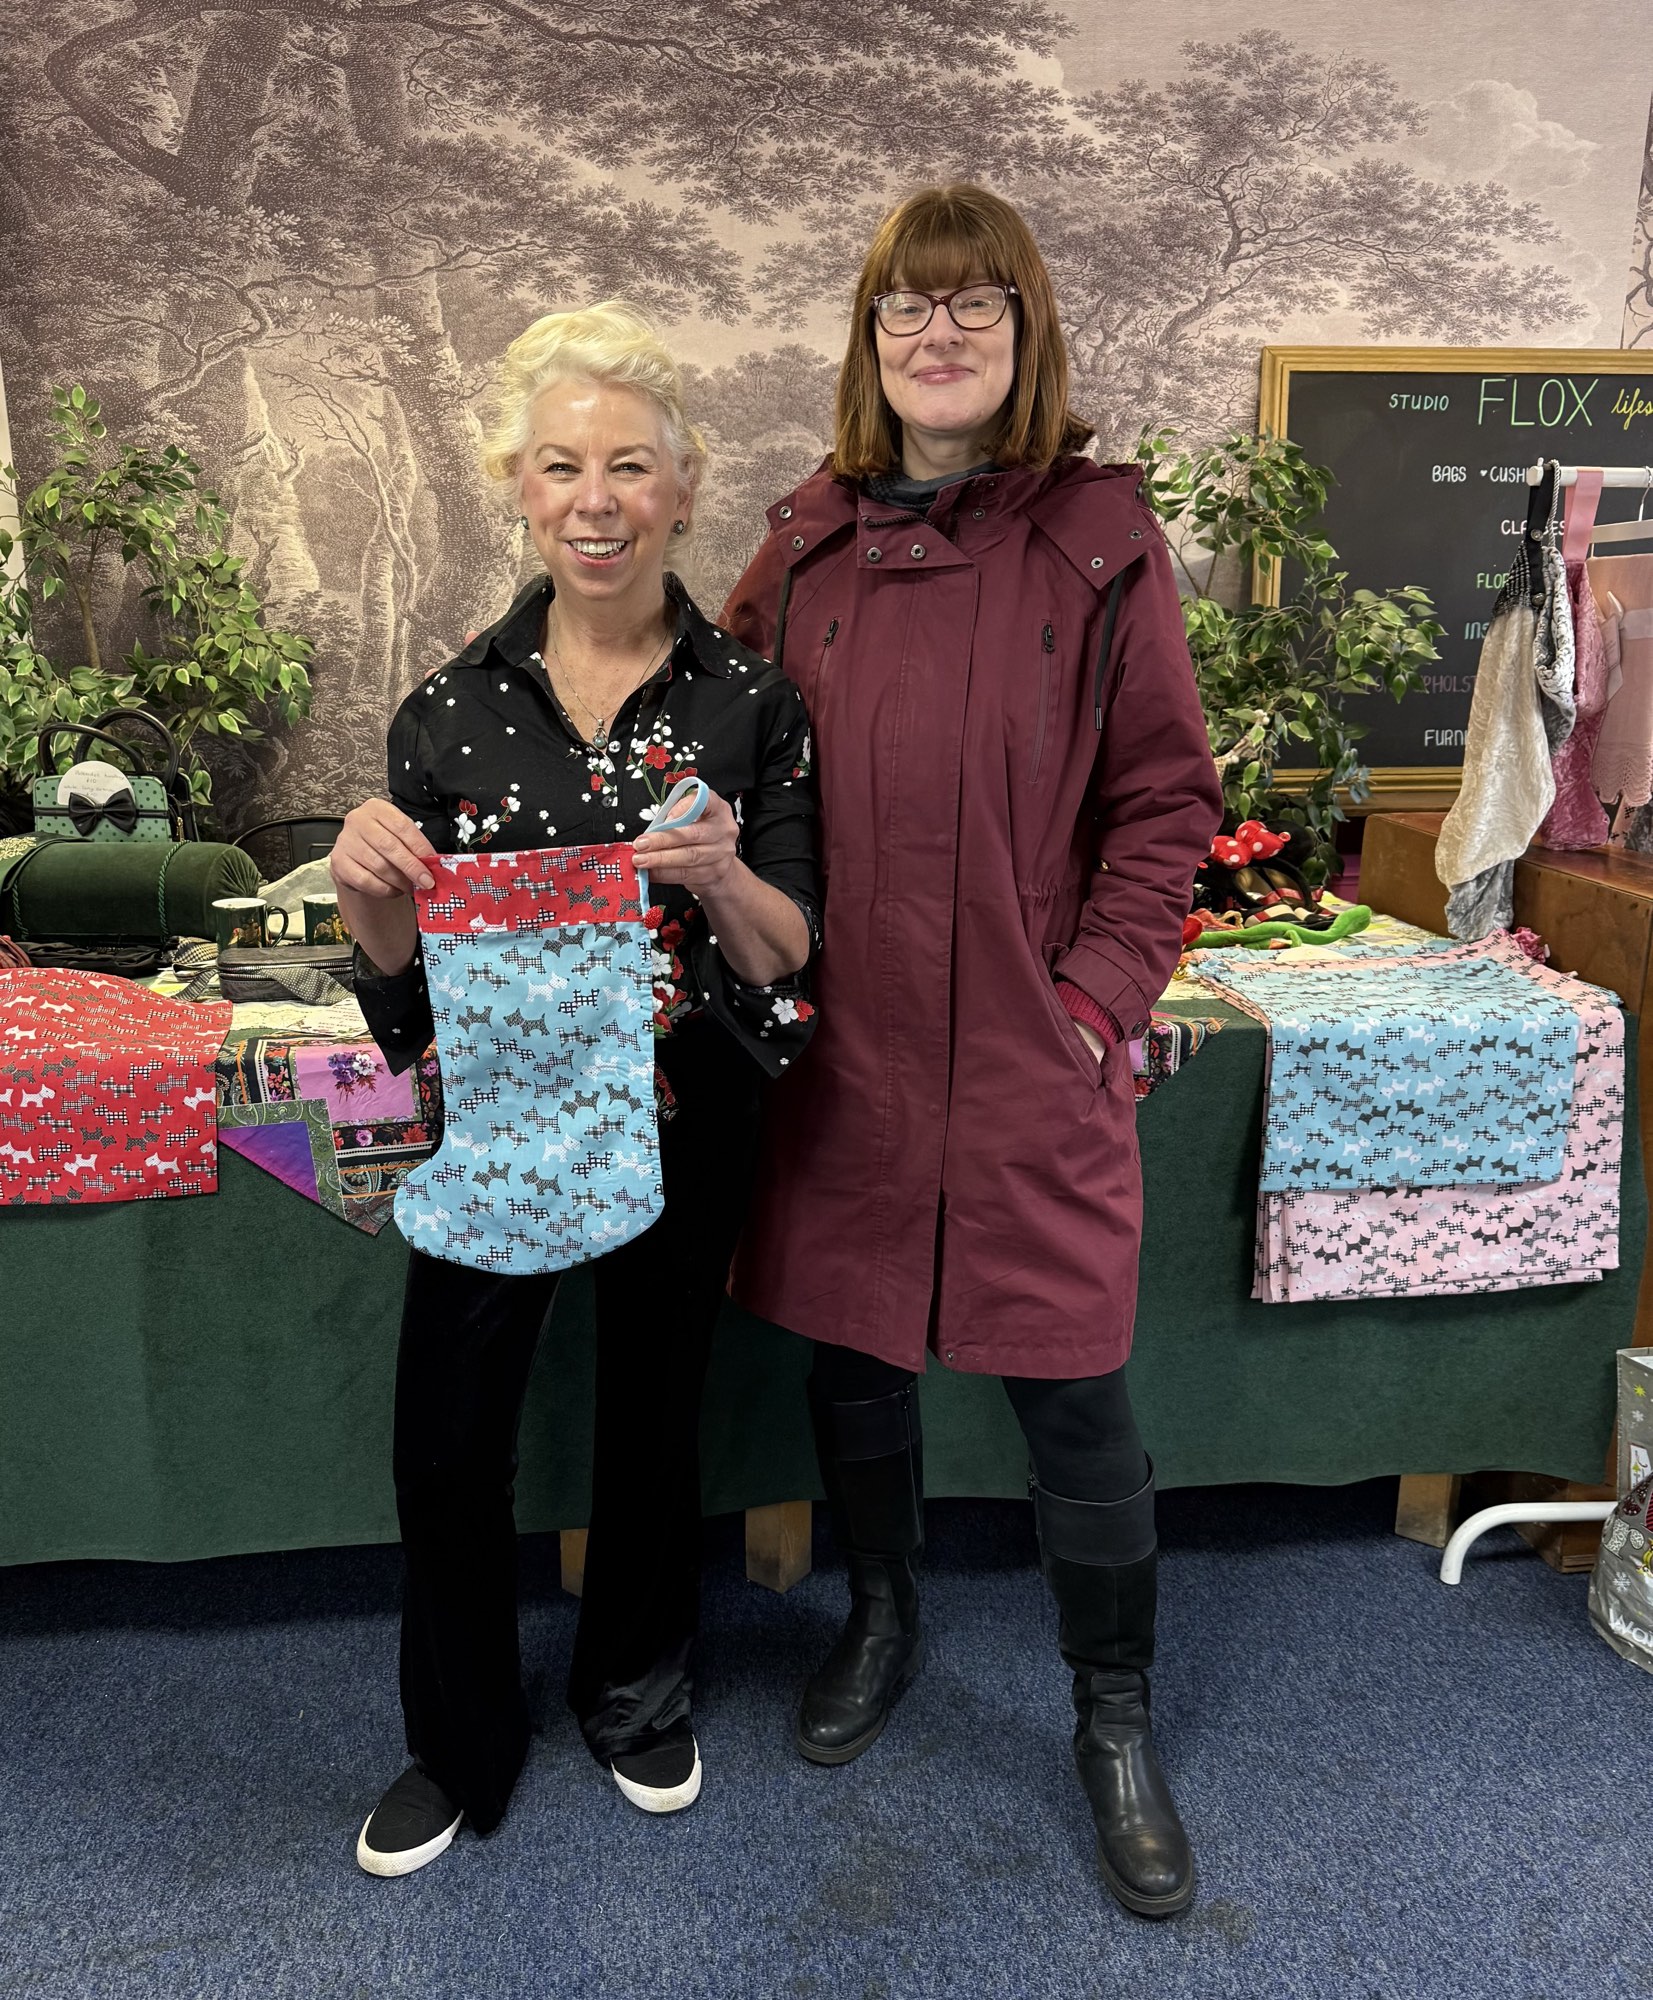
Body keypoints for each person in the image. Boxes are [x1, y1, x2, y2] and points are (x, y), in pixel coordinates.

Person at [720, 186, 1222, 1919]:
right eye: (903, 309)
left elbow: (1164, 801)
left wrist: (1093, 1003)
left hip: (1028, 1051)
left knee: (1075, 1392)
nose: (936, 336)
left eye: (972, 306)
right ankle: (882, 1611)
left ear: (1025, 333)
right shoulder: (798, 556)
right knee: (854, 1354)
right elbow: (716, 771)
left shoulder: (1097, 541)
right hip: (845, 1053)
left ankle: (1112, 1714)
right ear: (868, 341)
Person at [330, 303, 819, 1876]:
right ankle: (456, 1739)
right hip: (502, 1122)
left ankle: (633, 1690)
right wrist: (368, 899)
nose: (595, 499)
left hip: (686, 1113)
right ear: (517, 487)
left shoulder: (750, 706)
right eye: (560, 466)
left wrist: (722, 873)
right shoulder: (444, 712)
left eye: (628, 465)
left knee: (652, 1416)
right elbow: (406, 998)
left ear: (683, 485)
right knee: (445, 1440)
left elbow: (788, 955)